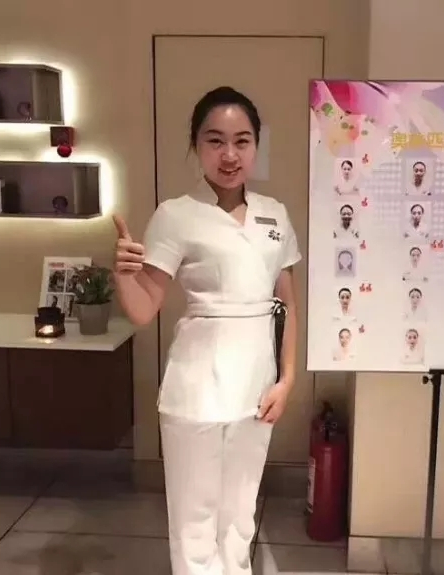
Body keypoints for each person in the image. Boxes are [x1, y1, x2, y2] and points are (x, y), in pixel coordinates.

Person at [111, 86, 301, 575]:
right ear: (196, 145)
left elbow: (287, 304)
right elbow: (144, 308)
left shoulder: (275, 214)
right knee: (196, 521)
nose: (229, 154)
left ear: (256, 144)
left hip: (257, 387)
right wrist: (124, 275)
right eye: (215, 141)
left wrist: (286, 380)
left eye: (242, 141)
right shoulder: (176, 215)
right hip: (196, 388)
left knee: (239, 516)